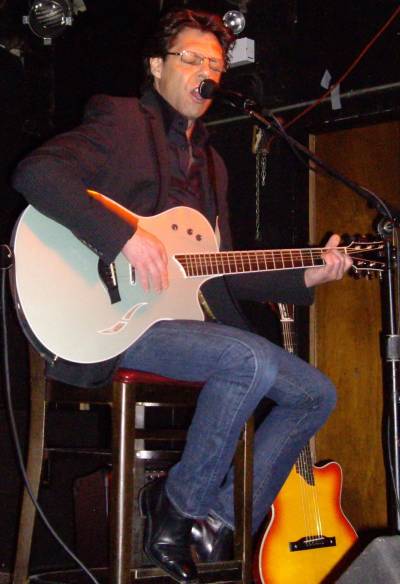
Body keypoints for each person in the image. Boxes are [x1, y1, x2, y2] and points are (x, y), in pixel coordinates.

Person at [12, 9, 352, 584]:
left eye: (215, 63)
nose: (205, 71)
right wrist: (123, 235)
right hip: (109, 319)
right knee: (245, 358)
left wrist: (307, 276)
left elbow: (222, 273)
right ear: (156, 67)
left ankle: (216, 519)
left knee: (315, 393)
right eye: (191, 58)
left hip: (179, 325)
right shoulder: (119, 121)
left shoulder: (214, 165)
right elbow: (36, 175)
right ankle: (176, 507)